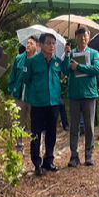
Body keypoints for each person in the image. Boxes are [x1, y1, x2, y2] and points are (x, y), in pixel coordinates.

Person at [23, 33, 63, 176]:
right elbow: (27, 80)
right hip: (38, 102)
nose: (52, 46)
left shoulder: (57, 61)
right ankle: (37, 163)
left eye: (54, 43)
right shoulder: (32, 61)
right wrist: (36, 92)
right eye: (48, 43)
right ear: (41, 45)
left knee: (51, 132)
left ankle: (49, 160)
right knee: (36, 134)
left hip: (53, 102)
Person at [62, 27, 99, 167]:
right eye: (79, 36)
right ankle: (74, 155)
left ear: (88, 37)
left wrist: (79, 67)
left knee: (89, 126)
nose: (82, 39)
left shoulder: (94, 53)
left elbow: (96, 70)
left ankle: (89, 155)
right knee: (74, 126)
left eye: (84, 36)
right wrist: (66, 56)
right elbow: (65, 70)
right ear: (75, 38)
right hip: (74, 94)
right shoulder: (71, 53)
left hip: (89, 93)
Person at [8, 36, 38, 149]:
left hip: (33, 98)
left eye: (31, 43)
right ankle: (19, 146)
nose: (28, 45)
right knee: (18, 123)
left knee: (35, 123)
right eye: (27, 43)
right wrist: (12, 89)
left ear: (37, 47)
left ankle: (36, 146)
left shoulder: (39, 61)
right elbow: (13, 76)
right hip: (19, 95)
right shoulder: (19, 59)